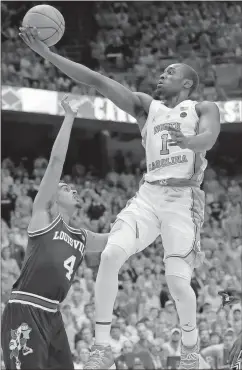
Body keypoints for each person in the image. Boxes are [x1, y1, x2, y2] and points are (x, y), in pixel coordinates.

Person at [19, 26, 221, 370]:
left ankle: (190, 347)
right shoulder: (146, 108)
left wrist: (189, 143)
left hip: (182, 200)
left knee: (176, 281)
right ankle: (101, 347)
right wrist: (48, 55)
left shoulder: (202, 107)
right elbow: (97, 80)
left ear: (187, 83)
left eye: (170, 72)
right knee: (111, 254)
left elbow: (210, 138)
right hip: (148, 195)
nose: (162, 75)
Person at [1, 96, 109, 370]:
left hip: (53, 314)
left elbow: (119, 240)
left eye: (73, 188)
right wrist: (70, 117)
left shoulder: (83, 237)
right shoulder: (43, 217)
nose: (71, 188)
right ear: (52, 198)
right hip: (25, 307)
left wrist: (148, 212)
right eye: (64, 187)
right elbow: (56, 161)